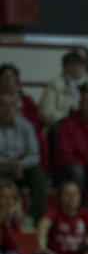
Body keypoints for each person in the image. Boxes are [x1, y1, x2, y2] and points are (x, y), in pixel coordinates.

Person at [39, 51, 88, 126]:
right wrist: (71, 120)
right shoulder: (54, 86)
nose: (76, 67)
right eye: (72, 64)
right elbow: (46, 114)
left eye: (80, 64)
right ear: (64, 67)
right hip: (64, 125)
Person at [0, 92, 46, 222]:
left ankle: (31, 219)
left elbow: (34, 155)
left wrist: (20, 164)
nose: (8, 109)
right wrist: (8, 164)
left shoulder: (26, 126)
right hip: (1, 167)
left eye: (12, 106)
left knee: (38, 176)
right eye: (3, 105)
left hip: (21, 168)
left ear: (17, 108)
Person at [0, 179, 29, 254]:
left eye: (11, 197)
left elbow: (16, 245)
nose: (8, 201)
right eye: (3, 197)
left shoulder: (15, 217)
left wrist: (9, 223)